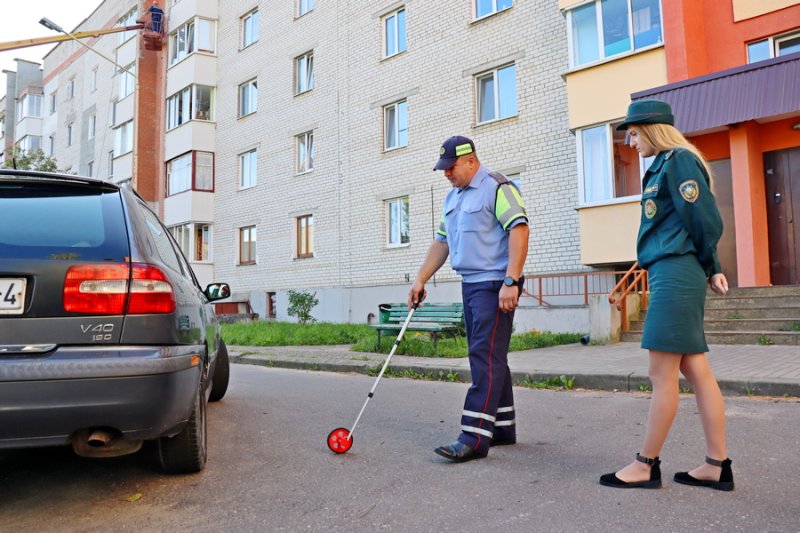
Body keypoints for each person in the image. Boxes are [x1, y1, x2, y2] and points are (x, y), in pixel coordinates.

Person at [600, 99, 734, 491]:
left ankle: (646, 465)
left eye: (634, 132)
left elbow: (704, 218)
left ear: (653, 129)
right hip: (670, 270)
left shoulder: (676, 160)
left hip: (676, 271)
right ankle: (716, 465)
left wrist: (713, 265)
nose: (629, 140)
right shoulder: (661, 165)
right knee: (696, 370)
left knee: (661, 374)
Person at [408, 135, 529, 463]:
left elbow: (519, 229)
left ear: (471, 160)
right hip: (472, 284)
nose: (446, 173)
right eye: (443, 168)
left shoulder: (497, 187)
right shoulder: (453, 199)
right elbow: (441, 243)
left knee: (484, 357)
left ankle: (474, 437)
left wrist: (511, 281)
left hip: (495, 284)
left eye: (451, 167)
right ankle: (501, 426)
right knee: (492, 355)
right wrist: (420, 278)